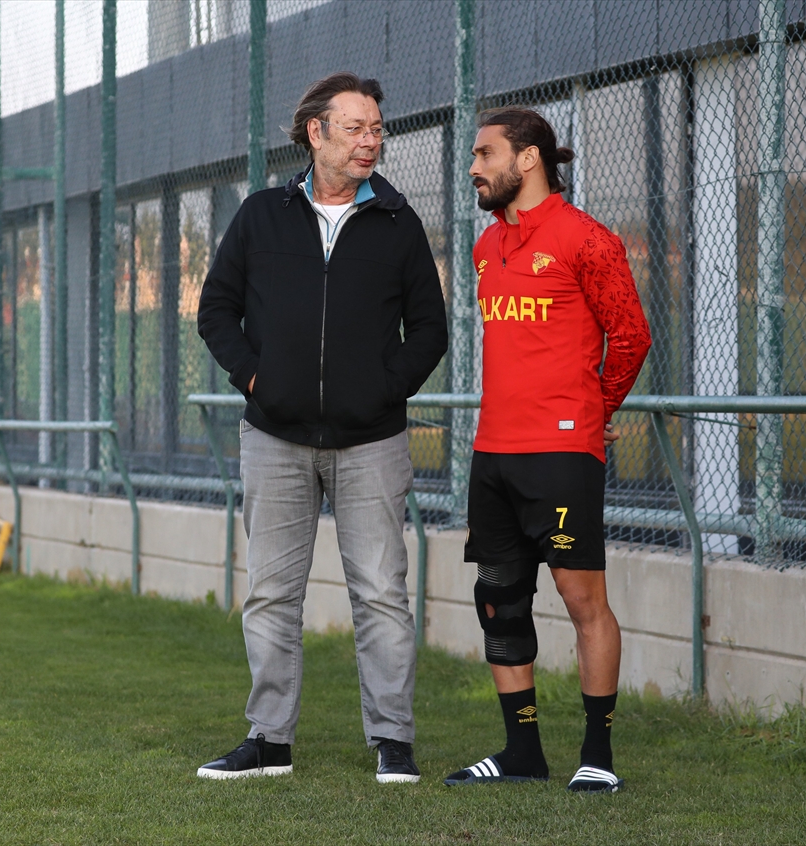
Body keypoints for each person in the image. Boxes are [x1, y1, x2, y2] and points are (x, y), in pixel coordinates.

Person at [195, 72, 448, 784]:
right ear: (317, 132)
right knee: (271, 593)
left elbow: (430, 329)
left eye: (377, 130)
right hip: (274, 438)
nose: (371, 141)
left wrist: (382, 390)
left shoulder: (398, 223)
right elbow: (216, 310)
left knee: (381, 593)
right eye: (357, 128)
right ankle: (269, 740)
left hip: (373, 442)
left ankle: (393, 740)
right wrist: (257, 379)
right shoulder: (262, 216)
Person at [443, 109, 651, 793]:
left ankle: (598, 756)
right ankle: (522, 754)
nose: (473, 168)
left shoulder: (588, 239)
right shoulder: (486, 247)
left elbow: (631, 336)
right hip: (492, 451)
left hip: (560, 453)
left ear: (527, 158)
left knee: (580, 597)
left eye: (485, 154)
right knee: (498, 599)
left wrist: (595, 411)